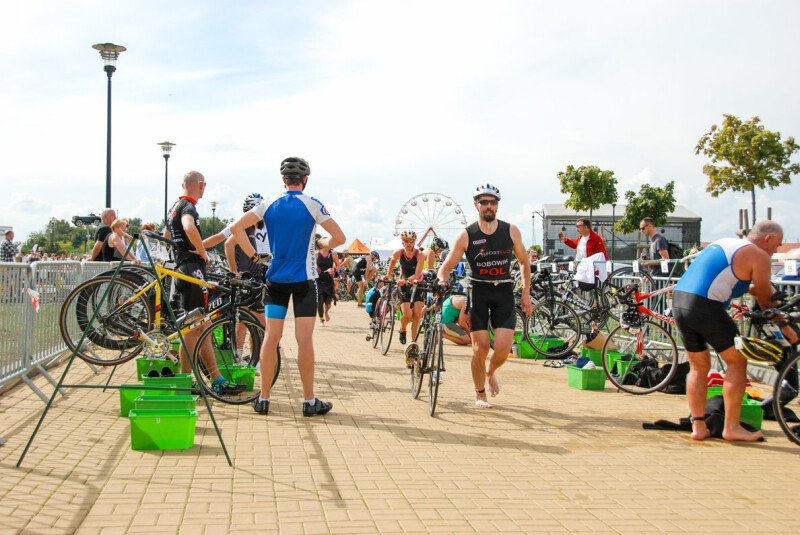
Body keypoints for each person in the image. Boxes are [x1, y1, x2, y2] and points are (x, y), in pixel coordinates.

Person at [230, 157, 345, 416]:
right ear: (305, 180)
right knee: (304, 340)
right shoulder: (313, 204)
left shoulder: (267, 203)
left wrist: (254, 257)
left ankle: (264, 398)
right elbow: (339, 238)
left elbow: (237, 228)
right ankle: (308, 401)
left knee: (271, 337)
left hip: (275, 280)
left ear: (283, 180)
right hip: (304, 281)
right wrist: (321, 244)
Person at [672, 220, 797, 442]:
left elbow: (726, 278)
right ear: (767, 239)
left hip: (680, 300)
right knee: (737, 361)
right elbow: (767, 300)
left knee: (699, 366)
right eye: (777, 244)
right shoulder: (758, 255)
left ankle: (699, 427)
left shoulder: (726, 243)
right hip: (704, 305)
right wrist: (786, 327)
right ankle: (731, 427)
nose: (776, 249)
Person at [437, 184, 532, 408]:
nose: (489, 206)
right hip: (478, 292)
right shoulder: (467, 235)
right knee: (480, 348)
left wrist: (526, 291)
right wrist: (441, 278)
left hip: (504, 292)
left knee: (501, 349)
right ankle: (480, 394)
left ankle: (490, 373)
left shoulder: (511, 231)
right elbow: (447, 265)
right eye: (484, 202)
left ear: (497, 205)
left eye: (493, 202)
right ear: (476, 205)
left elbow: (524, 261)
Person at [166, 170, 244, 395]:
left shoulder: (174, 206)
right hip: (192, 269)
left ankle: (213, 379)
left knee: (202, 327)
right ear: (200, 185)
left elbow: (168, 234)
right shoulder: (188, 207)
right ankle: (186, 380)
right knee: (194, 329)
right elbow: (189, 227)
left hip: (183, 267)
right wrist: (203, 254)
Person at [388, 230, 424, 348]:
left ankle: (413, 343)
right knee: (407, 315)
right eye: (406, 241)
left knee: (417, 315)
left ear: (414, 242)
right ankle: (403, 329)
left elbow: (418, 274)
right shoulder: (399, 252)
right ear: (402, 242)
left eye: (411, 241)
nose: (409, 243)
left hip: (417, 284)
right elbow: (392, 261)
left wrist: (406, 280)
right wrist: (389, 275)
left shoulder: (419, 255)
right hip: (403, 284)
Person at [315, 233, 344, 324]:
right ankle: (321, 319)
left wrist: (334, 269)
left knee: (328, 303)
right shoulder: (317, 253)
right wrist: (317, 269)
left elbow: (339, 266)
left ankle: (326, 311)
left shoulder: (333, 253)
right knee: (320, 302)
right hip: (319, 281)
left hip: (328, 281)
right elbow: (312, 267)